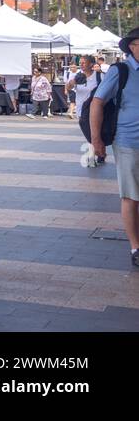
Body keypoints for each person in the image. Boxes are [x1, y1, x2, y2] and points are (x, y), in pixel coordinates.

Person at [87, 28, 139, 268]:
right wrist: (96, 140)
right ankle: (135, 247)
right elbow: (98, 102)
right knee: (131, 196)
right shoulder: (121, 71)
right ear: (132, 46)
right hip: (128, 142)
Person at [71, 55, 99, 121]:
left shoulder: (99, 76)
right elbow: (69, 87)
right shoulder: (77, 76)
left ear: (91, 64)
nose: (81, 65)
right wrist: (71, 83)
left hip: (95, 111)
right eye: (80, 63)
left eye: (84, 63)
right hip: (81, 111)